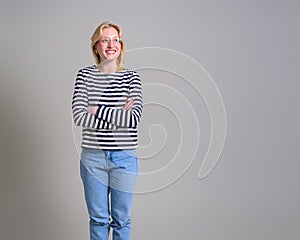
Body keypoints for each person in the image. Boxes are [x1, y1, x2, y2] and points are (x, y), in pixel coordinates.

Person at [72, 21, 143, 240]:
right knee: (98, 219)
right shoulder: (84, 76)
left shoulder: (132, 78)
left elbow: (133, 118)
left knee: (121, 219)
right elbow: (79, 116)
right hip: (92, 159)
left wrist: (97, 109)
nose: (111, 44)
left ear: (121, 46)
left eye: (116, 40)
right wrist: (116, 115)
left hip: (124, 158)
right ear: (96, 47)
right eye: (105, 40)